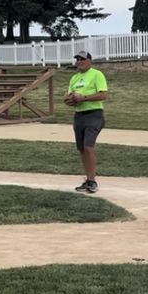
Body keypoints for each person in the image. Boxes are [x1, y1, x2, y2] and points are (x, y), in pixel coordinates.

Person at [64, 50, 108, 194]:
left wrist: (84, 98)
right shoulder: (74, 78)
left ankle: (93, 181)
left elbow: (103, 94)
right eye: (77, 59)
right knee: (81, 148)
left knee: (88, 147)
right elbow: (68, 96)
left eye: (82, 59)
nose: (79, 62)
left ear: (89, 61)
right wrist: (70, 100)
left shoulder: (96, 74)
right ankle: (87, 179)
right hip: (79, 115)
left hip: (94, 114)